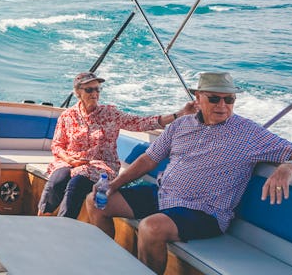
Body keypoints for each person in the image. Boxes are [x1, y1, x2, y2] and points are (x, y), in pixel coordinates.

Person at [85, 72, 292, 274]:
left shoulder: (249, 133)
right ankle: (110, 265)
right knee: (96, 202)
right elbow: (149, 159)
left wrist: (289, 167)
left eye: (230, 100)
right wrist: (114, 185)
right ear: (198, 97)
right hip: (164, 197)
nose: (223, 106)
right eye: (215, 99)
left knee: (152, 227)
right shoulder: (181, 124)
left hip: (205, 211)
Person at [37, 71, 196, 219]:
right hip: (70, 161)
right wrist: (70, 160)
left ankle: (62, 225)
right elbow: (57, 145)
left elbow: (141, 123)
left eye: (97, 89)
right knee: (57, 179)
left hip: (100, 166)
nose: (95, 94)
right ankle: (42, 217)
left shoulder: (110, 114)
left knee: (76, 183)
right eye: (89, 90)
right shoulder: (67, 116)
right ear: (78, 93)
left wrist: (178, 115)